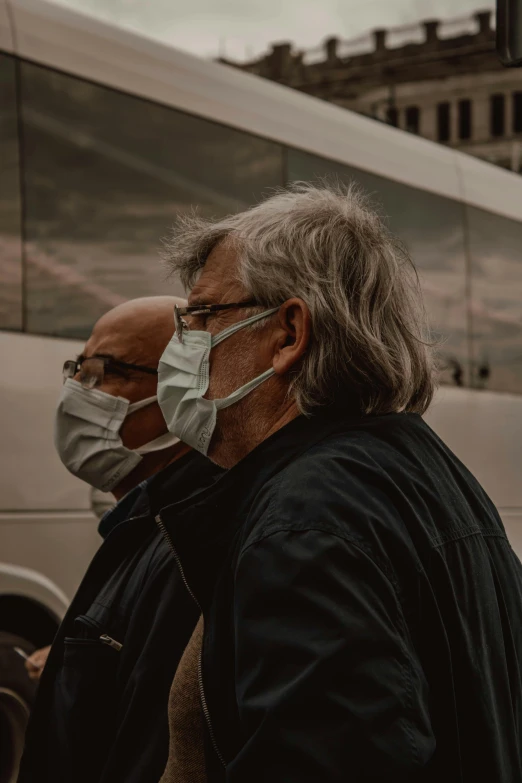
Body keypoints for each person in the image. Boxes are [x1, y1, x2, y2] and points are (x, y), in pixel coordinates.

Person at [156, 183, 522, 782]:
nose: (183, 343)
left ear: (288, 334)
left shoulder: (306, 522)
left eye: (200, 315)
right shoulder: (424, 474)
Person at [18, 296, 223, 783]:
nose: (77, 392)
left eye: (107, 371)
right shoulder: (142, 522)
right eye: (77, 369)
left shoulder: (188, 543)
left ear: (184, 392)